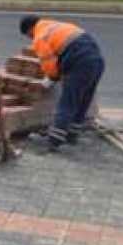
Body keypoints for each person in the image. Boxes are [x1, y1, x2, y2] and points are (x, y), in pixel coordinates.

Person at [20, 15, 105, 151]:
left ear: (30, 29)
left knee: (67, 102)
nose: (30, 39)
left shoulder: (40, 37)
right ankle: (72, 134)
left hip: (80, 62)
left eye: (28, 36)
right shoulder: (56, 26)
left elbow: (51, 68)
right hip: (97, 61)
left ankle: (54, 141)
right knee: (83, 99)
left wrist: (47, 82)